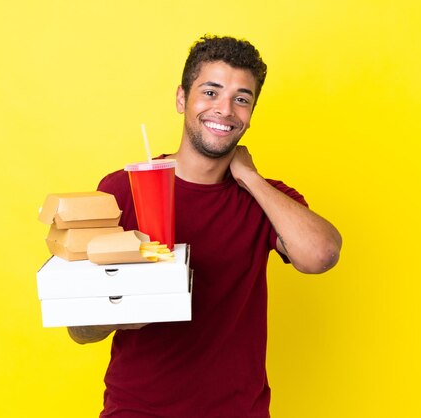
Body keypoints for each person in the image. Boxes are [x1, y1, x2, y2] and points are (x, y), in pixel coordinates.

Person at [68, 35, 342, 417]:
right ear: (182, 98)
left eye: (241, 99)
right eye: (211, 92)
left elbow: (321, 254)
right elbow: (79, 330)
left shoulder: (266, 198)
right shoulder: (120, 190)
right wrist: (124, 313)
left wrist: (250, 178)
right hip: (136, 410)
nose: (225, 110)